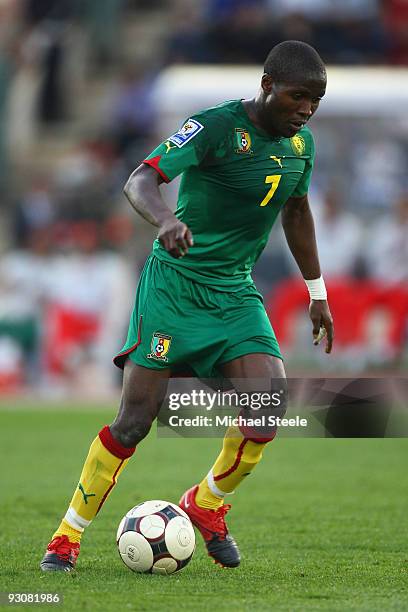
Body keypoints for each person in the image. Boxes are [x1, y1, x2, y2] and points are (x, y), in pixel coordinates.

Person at [40, 40, 334, 572]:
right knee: (133, 422)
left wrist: (317, 292)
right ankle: (66, 536)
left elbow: (297, 211)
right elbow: (140, 180)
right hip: (175, 287)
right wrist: (167, 221)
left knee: (267, 408)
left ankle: (206, 503)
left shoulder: (301, 146)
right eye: (297, 97)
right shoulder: (214, 126)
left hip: (235, 292)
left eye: (315, 100)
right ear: (268, 86)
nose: (306, 110)